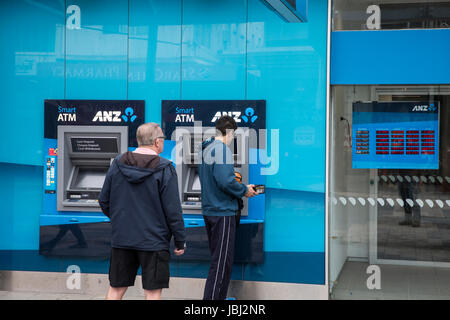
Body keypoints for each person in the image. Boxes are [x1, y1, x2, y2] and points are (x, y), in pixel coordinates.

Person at [98, 122, 186, 300]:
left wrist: (119, 219)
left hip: (122, 238)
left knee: (116, 289)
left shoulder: (117, 163)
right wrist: (180, 240)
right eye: (163, 139)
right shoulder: (165, 168)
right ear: (156, 142)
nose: (163, 142)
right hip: (154, 241)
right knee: (152, 292)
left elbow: (103, 200)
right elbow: (173, 210)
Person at [198, 115, 257, 300]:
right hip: (222, 212)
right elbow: (226, 181)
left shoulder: (206, 148)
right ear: (229, 132)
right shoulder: (220, 149)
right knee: (221, 264)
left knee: (219, 261)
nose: (232, 139)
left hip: (211, 210)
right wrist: (244, 190)